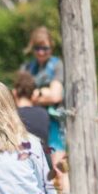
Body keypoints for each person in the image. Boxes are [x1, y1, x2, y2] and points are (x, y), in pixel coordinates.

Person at [20, 26, 65, 157]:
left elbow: (56, 96)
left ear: (51, 47)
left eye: (45, 48)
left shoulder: (57, 65)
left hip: (54, 122)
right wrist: (44, 92)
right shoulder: (27, 67)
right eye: (37, 48)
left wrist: (34, 95)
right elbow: (18, 95)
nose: (41, 52)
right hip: (31, 120)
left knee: (58, 166)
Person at [13, 71, 49, 149]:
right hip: (42, 158)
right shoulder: (43, 113)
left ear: (14, 92)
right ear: (34, 94)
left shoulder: (11, 115)